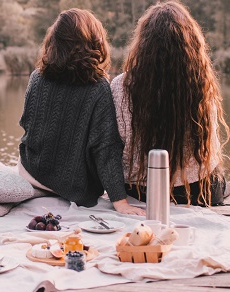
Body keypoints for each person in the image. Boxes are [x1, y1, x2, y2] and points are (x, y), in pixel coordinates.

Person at [17, 8, 145, 216]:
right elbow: (105, 149)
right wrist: (120, 202)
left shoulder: (36, 78)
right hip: (75, 188)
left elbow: (26, 124)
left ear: (54, 42)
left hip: (31, 173)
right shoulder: (98, 88)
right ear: (95, 43)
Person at [111, 1, 230, 206]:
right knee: (223, 183)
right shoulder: (201, 84)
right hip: (196, 191)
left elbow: (115, 144)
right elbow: (210, 147)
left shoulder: (120, 85)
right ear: (191, 44)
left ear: (142, 44)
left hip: (139, 191)